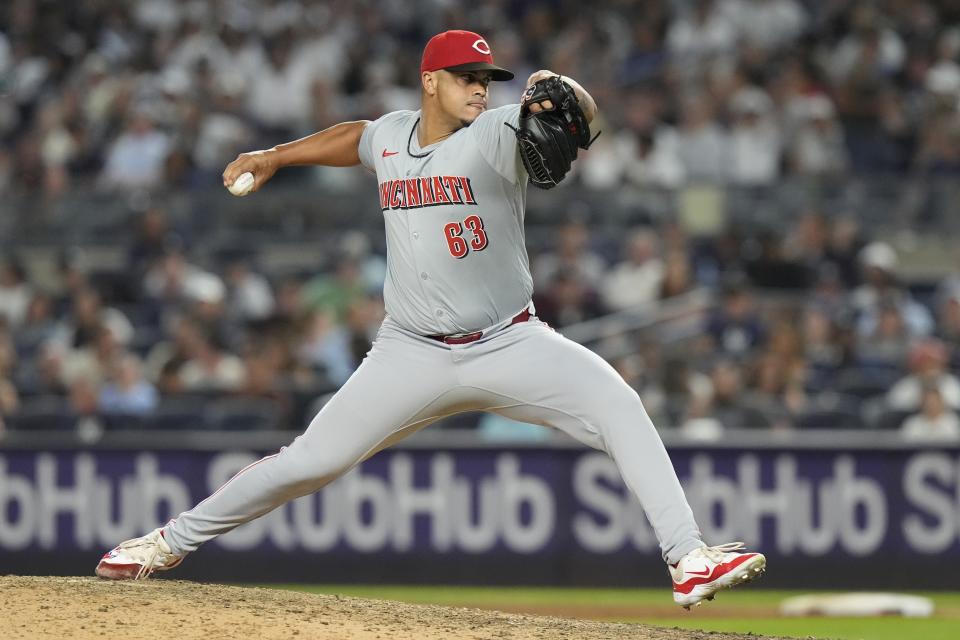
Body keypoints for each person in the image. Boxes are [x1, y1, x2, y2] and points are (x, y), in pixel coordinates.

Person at [95, 30, 765, 608]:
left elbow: (583, 122)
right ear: (430, 81)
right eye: (468, 78)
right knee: (306, 463)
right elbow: (353, 137)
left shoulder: (500, 130)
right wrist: (275, 156)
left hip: (510, 342)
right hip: (408, 353)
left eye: (487, 78)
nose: (480, 88)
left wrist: (560, 90)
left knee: (620, 405)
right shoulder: (390, 136)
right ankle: (163, 543)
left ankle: (688, 558)